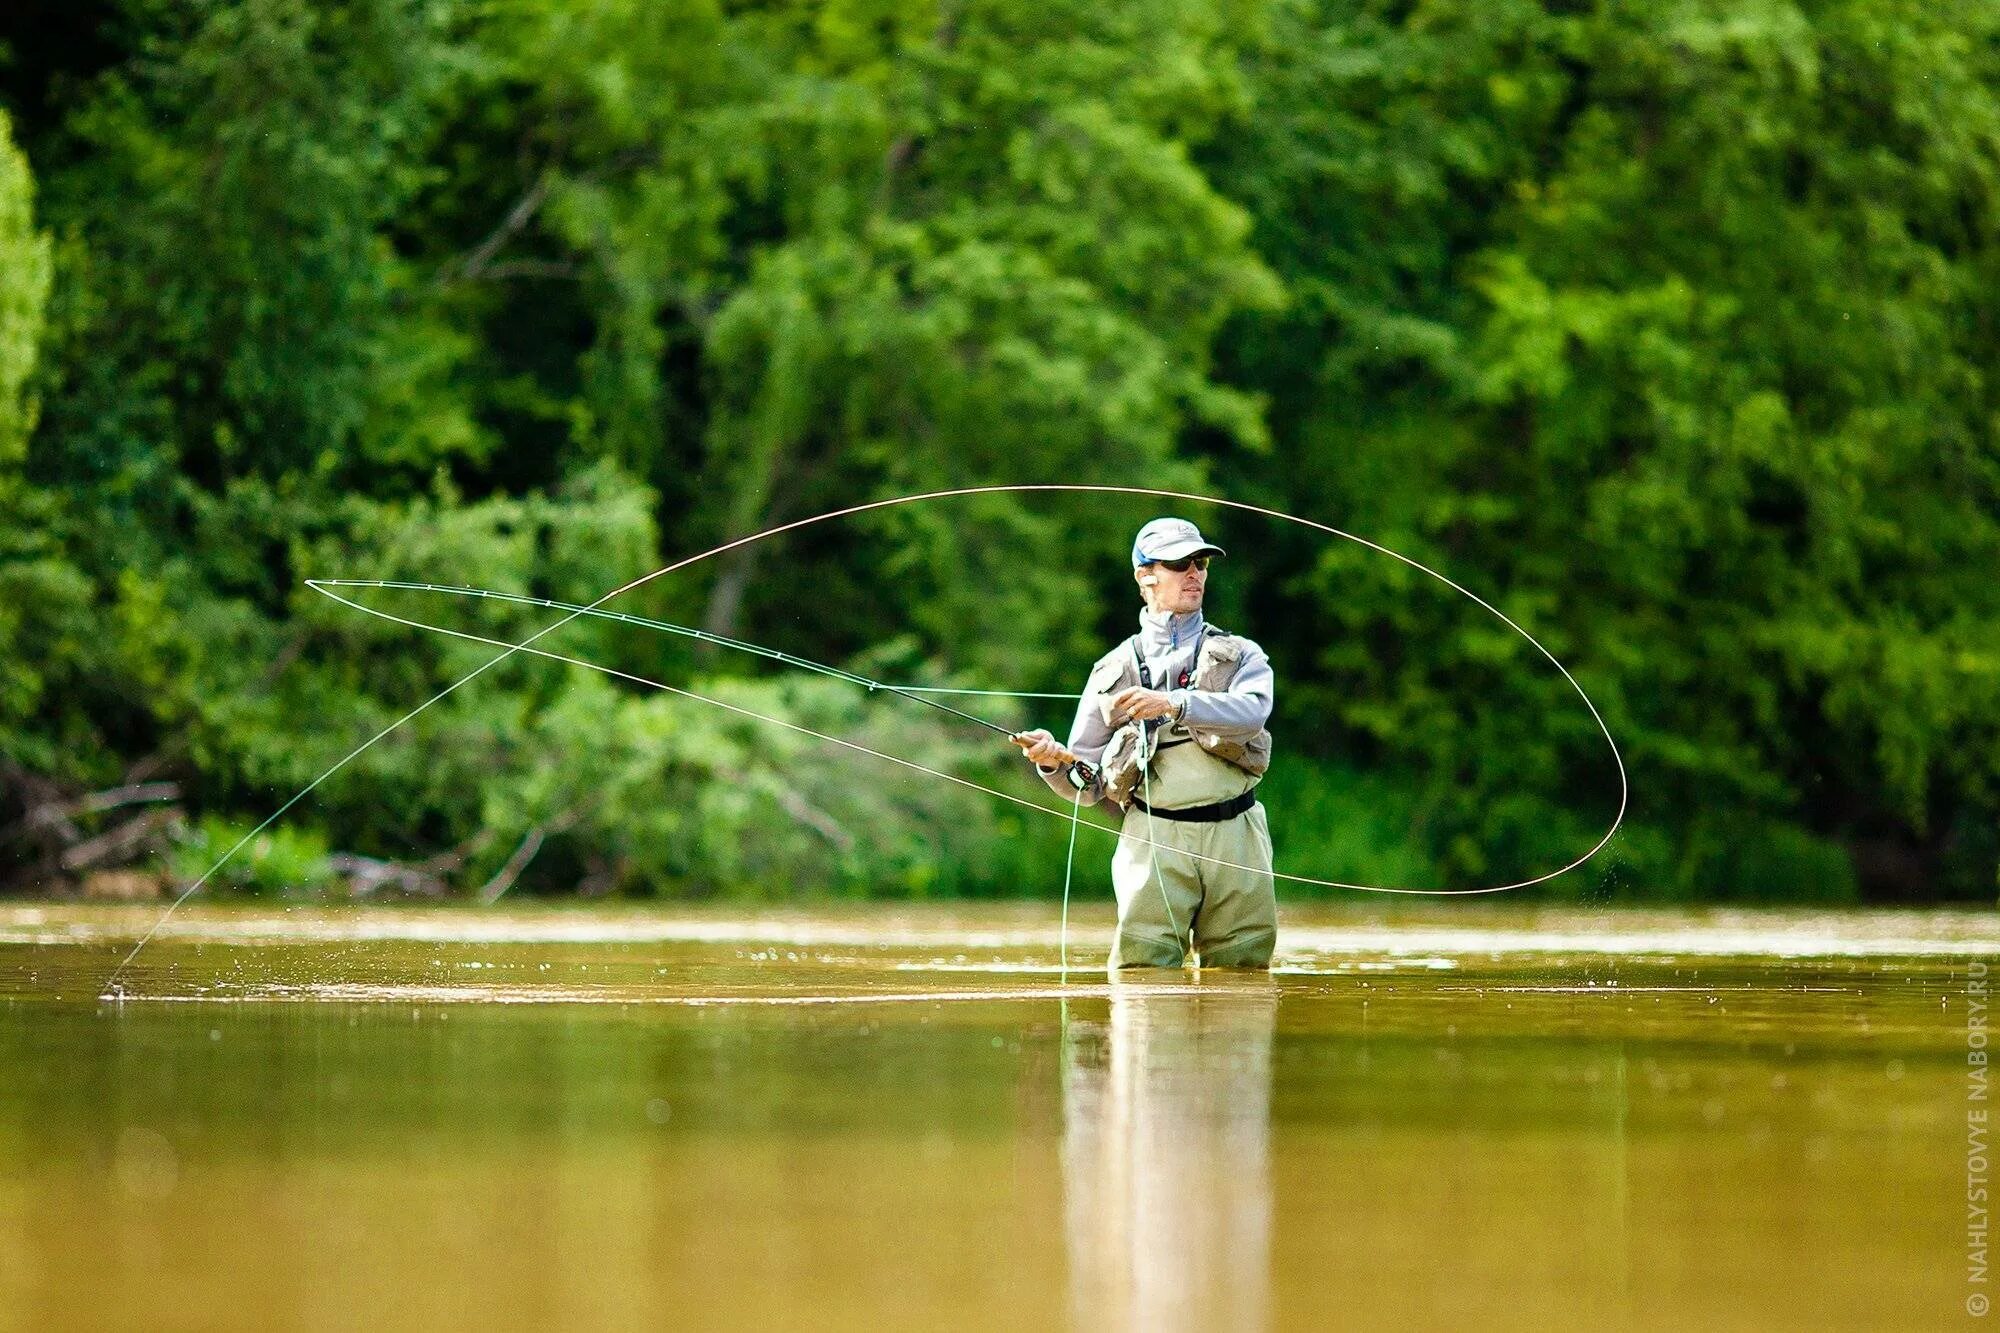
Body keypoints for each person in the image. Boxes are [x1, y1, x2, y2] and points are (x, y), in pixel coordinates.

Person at [1011, 517, 1277, 970]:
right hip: (1152, 837)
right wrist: (1053, 762)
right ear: (1145, 576)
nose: (1194, 573)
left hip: (1236, 835)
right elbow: (1087, 783)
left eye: (1200, 562)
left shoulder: (1242, 654)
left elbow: (1253, 711)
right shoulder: (1110, 669)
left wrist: (1173, 704)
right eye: (1179, 564)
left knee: (1244, 972)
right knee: (1143, 973)